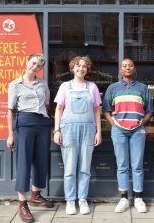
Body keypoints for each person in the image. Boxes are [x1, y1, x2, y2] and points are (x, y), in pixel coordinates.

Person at [6, 53, 54, 223]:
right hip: (24, 124)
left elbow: (47, 104)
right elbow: (10, 111)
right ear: (27, 63)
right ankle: (22, 203)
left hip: (42, 124)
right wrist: (10, 135)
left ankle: (36, 194)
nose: (35, 67)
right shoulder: (15, 85)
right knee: (24, 162)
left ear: (41, 69)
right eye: (33, 63)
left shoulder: (43, 84)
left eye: (39, 66)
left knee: (41, 161)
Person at [102, 58, 153, 213]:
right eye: (124, 66)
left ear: (134, 68)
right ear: (120, 69)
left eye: (130, 65)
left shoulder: (143, 88)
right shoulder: (113, 88)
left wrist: (142, 123)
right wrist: (114, 124)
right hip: (119, 132)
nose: (127, 68)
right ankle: (124, 198)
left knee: (137, 166)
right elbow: (106, 110)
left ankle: (138, 198)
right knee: (122, 166)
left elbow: (149, 111)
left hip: (137, 131)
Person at [53, 56, 102, 215]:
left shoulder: (92, 87)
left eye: (84, 66)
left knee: (84, 168)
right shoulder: (65, 87)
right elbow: (59, 109)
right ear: (72, 68)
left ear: (87, 70)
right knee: (69, 168)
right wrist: (57, 130)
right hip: (68, 130)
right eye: (78, 66)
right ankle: (70, 200)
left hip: (88, 129)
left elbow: (96, 110)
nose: (81, 69)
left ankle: (82, 199)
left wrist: (99, 132)